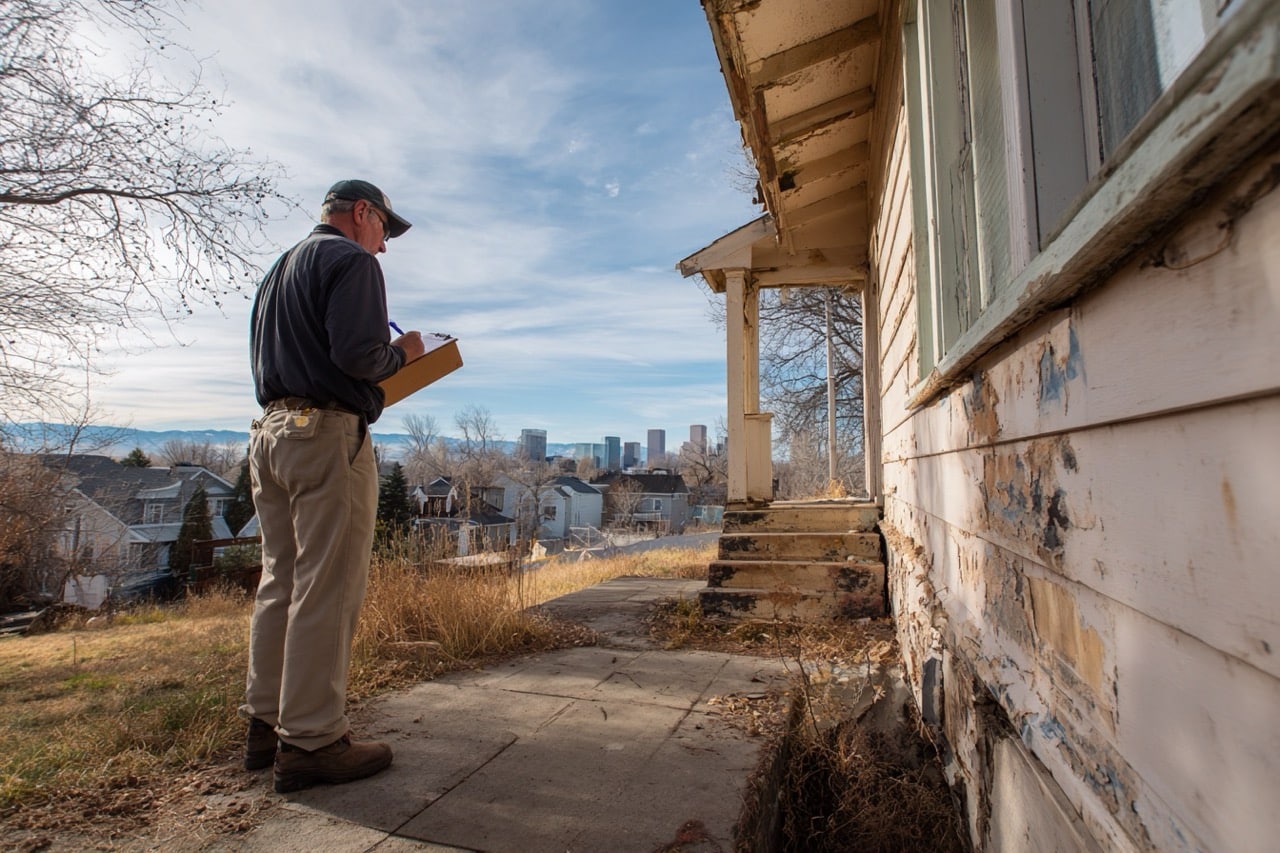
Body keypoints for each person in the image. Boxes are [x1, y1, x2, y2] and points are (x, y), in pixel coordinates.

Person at [241, 179, 427, 794]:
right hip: (324, 435)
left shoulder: (280, 269)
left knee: (281, 581)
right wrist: (404, 353)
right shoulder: (351, 260)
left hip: (270, 434)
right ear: (362, 212)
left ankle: (265, 724)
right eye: (384, 230)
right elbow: (358, 356)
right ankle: (312, 741)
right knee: (328, 585)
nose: (384, 246)